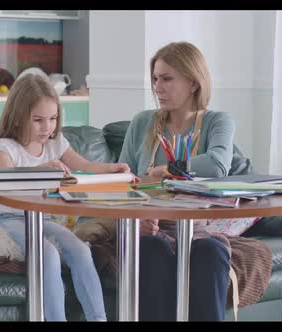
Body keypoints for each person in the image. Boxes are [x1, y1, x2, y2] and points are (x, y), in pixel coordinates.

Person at [115, 41, 271, 321]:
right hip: (151, 228)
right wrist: (137, 218)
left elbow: (218, 164)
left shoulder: (218, 122)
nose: (158, 87)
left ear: (193, 82)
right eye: (155, 79)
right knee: (150, 249)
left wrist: (166, 169)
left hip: (198, 229)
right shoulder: (142, 122)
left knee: (211, 252)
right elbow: (126, 180)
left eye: (167, 78)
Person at [0, 73, 133, 322]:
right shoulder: (4, 148)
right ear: (18, 117)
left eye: (52, 118)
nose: (46, 127)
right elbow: (6, 179)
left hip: (40, 218)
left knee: (81, 250)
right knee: (47, 253)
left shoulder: (54, 142)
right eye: (38, 120)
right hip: (3, 218)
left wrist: (112, 168)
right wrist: (40, 171)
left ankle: (99, 318)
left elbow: (85, 165)